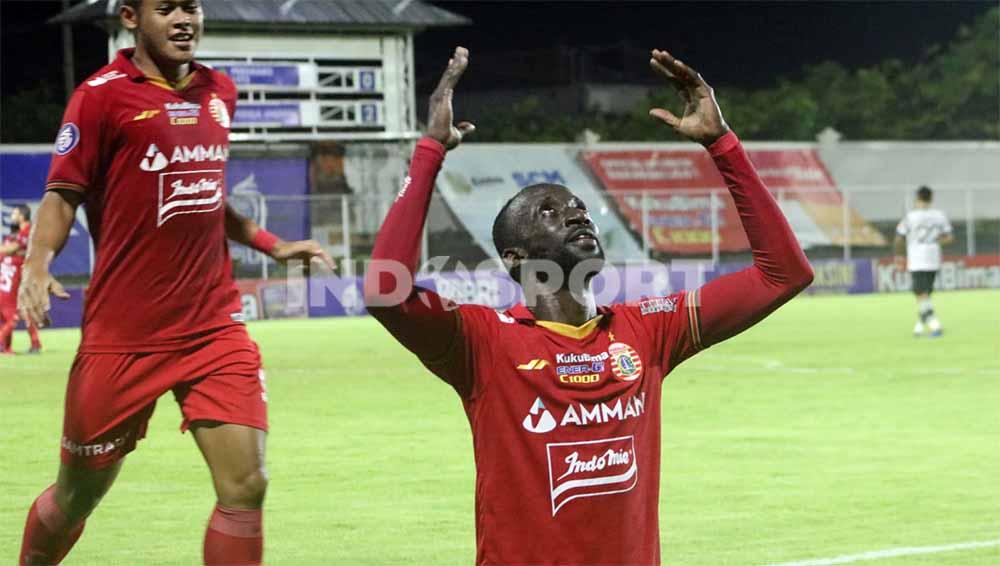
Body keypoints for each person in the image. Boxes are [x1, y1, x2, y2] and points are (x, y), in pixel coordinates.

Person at [364, 47, 814, 565]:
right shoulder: (484, 343)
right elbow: (385, 288)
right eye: (549, 212)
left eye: (579, 208)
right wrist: (430, 152)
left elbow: (784, 273)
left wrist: (722, 144)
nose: (576, 215)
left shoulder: (647, 331)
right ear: (515, 257)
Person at [17, 1, 333, 564]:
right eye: (167, 8)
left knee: (247, 485)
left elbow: (207, 193)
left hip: (213, 326)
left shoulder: (220, 92)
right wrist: (37, 263)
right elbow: (62, 194)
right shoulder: (100, 96)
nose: (185, 18)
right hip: (124, 336)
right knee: (77, 496)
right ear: (132, 17)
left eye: (193, 6)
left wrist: (270, 244)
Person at [894, 185, 953, 337]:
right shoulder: (939, 216)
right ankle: (919, 327)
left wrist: (899, 256)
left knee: (920, 293)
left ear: (917, 198)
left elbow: (899, 237)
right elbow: (949, 237)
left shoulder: (911, 217)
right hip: (933, 258)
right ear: (931, 198)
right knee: (925, 293)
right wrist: (935, 241)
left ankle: (935, 325)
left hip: (917, 259)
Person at [1, 205, 42, 354]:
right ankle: (9, 346)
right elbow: (14, 250)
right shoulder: (16, 233)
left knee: (26, 310)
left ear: (22, 216)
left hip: (28, 275)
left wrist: (13, 251)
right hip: (17, 276)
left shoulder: (28, 231)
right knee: (23, 310)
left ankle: (35, 344)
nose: (12, 216)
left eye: (15, 213)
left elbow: (14, 249)